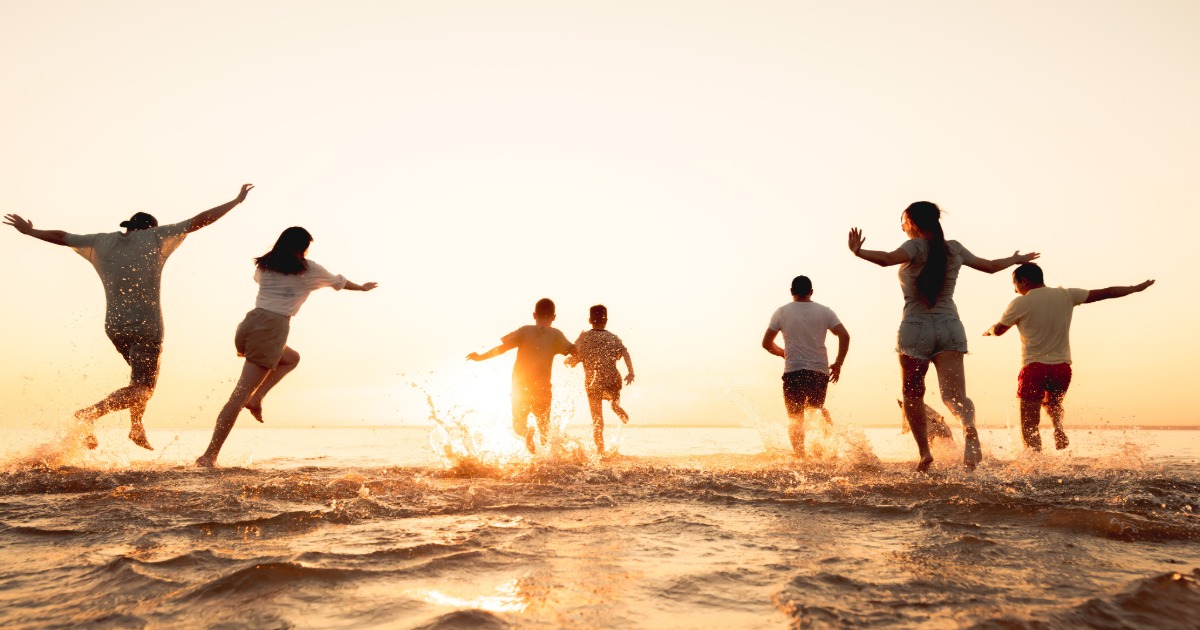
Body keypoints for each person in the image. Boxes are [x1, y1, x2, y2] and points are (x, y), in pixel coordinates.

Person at [3, 184, 254, 450]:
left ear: (128, 227)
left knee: (138, 381)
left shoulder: (102, 241)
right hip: (146, 325)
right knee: (144, 387)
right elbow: (200, 221)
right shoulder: (156, 237)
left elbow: (63, 236)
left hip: (114, 326)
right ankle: (89, 414)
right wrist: (236, 201)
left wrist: (30, 231)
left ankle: (136, 426)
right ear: (149, 228)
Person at [848, 201, 1039, 471]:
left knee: (913, 393)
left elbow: (886, 259)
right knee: (954, 396)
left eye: (903, 222)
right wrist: (1017, 260)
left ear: (912, 223)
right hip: (950, 326)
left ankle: (925, 453)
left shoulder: (913, 247)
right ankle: (968, 427)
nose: (902, 227)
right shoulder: (954, 248)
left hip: (915, 328)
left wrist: (859, 252)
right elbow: (992, 266)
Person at [195, 227, 377, 467]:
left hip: (250, 324)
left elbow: (260, 281)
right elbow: (339, 282)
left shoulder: (264, 265)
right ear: (302, 248)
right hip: (272, 328)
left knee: (291, 358)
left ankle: (257, 398)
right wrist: (362, 288)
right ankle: (209, 456)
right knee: (237, 397)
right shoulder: (309, 269)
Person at [984, 263, 1154, 451]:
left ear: (1023, 280)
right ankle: (1058, 428)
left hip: (1034, 367)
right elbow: (1107, 292)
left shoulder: (1020, 303)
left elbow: (999, 330)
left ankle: (1035, 466)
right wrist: (1135, 289)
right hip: (1061, 368)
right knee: (1052, 404)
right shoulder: (1066, 295)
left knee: (1029, 424)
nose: (1015, 290)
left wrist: (989, 331)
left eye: (1015, 284)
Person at [467, 298, 575, 454]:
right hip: (543, 388)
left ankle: (526, 433)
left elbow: (502, 348)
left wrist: (480, 357)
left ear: (534, 315)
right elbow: (574, 351)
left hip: (520, 387)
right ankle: (548, 462)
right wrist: (581, 341)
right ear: (554, 317)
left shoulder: (525, 331)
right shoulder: (556, 335)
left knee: (518, 424)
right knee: (544, 428)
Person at [761, 275, 850, 457]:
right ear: (811, 292)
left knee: (795, 418)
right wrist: (838, 363)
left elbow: (766, 343)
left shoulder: (781, 312)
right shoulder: (825, 312)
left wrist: (783, 353)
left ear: (791, 292)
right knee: (816, 409)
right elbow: (844, 335)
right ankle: (830, 446)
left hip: (793, 371)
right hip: (819, 371)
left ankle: (801, 458)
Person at [565, 305, 636, 455]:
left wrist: (569, 360)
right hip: (612, 378)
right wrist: (630, 372)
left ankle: (600, 451)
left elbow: (574, 356)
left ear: (590, 320)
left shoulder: (585, 339)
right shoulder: (613, 337)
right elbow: (625, 353)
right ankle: (615, 405)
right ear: (606, 320)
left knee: (597, 421)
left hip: (593, 383)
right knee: (614, 399)